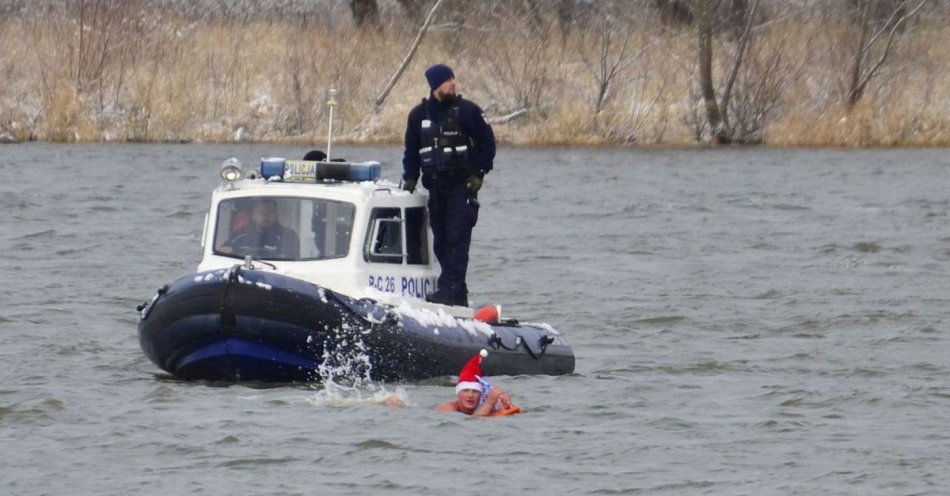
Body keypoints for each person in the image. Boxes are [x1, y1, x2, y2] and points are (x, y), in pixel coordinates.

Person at [402, 63, 496, 307]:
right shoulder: (417, 116)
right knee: (441, 242)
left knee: (457, 239)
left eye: (454, 79)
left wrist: (480, 173)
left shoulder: (468, 111)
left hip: (461, 186)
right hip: (435, 187)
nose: (453, 83)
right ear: (436, 86)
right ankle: (458, 294)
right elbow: (411, 150)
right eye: (448, 80)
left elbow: (488, 143)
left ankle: (447, 292)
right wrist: (410, 177)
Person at [436, 350, 513, 416]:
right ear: (457, 394)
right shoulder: (446, 408)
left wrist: (504, 402)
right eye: (465, 390)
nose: (470, 395)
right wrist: (489, 403)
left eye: (475, 391)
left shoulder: (484, 405)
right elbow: (467, 422)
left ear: (481, 394)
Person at [221, 198, 300, 259]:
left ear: (276, 215)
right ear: (253, 216)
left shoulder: (288, 236)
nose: (265, 216)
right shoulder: (238, 236)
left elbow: (292, 262)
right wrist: (225, 251)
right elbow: (224, 254)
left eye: (270, 212)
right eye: (261, 213)